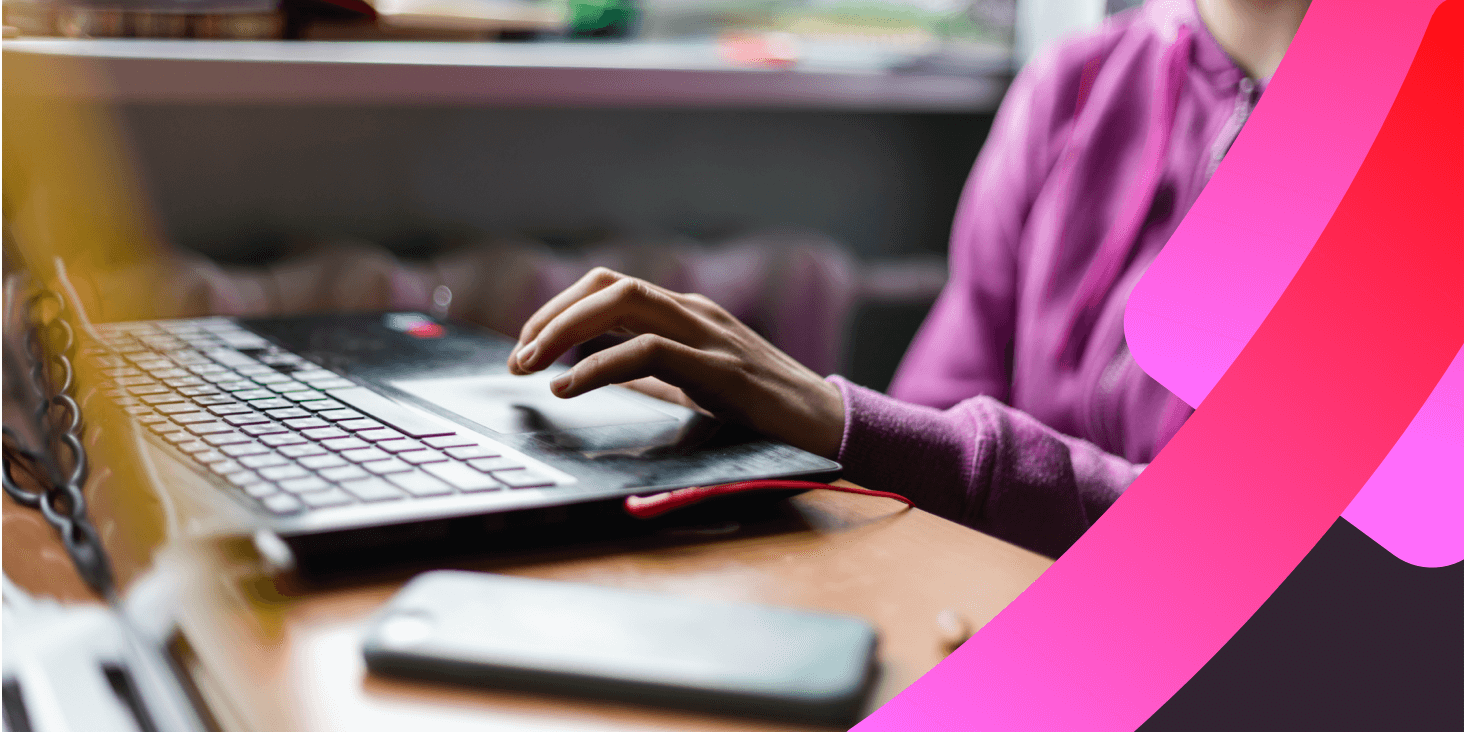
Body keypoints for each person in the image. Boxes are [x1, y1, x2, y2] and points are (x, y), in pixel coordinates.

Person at [504, 0, 1312, 558]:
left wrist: (837, 418)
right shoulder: (1075, 84)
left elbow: (1247, 549)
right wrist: (775, 436)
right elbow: (935, 415)